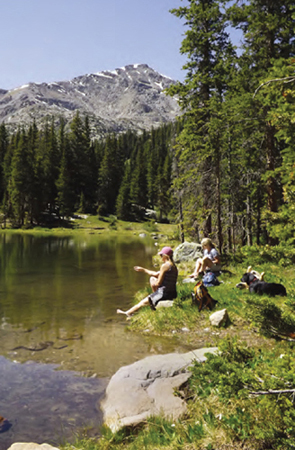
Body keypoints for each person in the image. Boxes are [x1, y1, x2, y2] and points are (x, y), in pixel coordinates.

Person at [117, 246, 178, 318]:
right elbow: (155, 274)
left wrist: (153, 284)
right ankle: (131, 311)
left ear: (166, 256)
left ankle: (128, 313)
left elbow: (158, 283)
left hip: (163, 293)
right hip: (172, 293)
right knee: (152, 279)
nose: (160, 256)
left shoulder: (165, 266)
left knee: (142, 302)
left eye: (161, 255)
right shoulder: (173, 266)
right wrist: (143, 269)